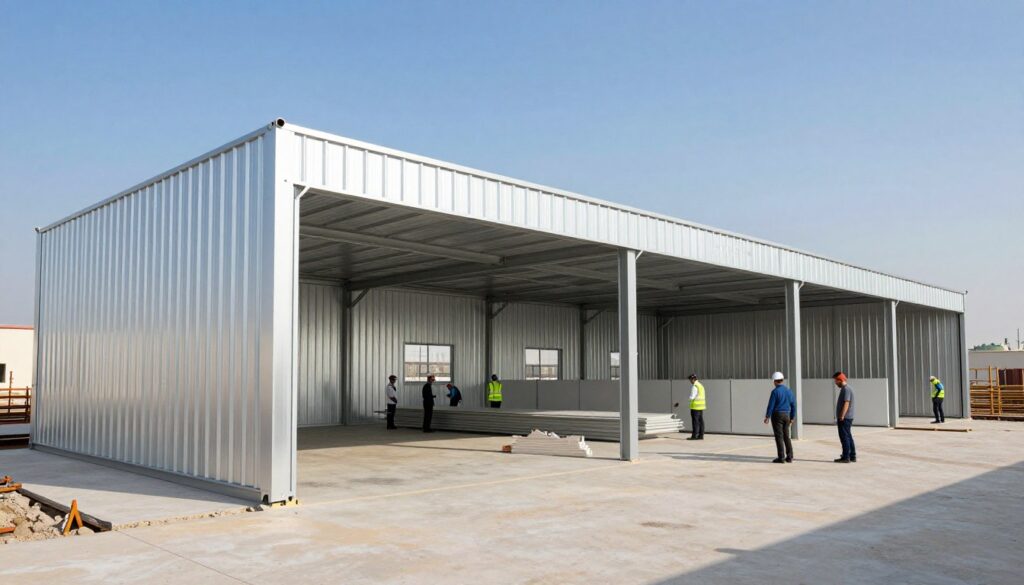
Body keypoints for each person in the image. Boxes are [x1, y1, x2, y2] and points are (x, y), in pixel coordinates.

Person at [763, 371, 796, 463]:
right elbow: (793, 404)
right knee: (786, 436)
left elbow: (771, 405)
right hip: (787, 415)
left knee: (779, 437)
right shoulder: (789, 391)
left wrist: (767, 416)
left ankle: (781, 457)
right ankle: (790, 457)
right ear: (782, 380)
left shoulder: (775, 392)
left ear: (774, 381)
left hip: (777, 415)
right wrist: (792, 417)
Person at [673, 374, 706, 441]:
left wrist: (680, 403)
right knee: (700, 421)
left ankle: (694, 436)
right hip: (701, 406)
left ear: (693, 379)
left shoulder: (695, 386)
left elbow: (691, 397)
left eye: (690, 380)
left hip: (695, 407)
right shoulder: (700, 385)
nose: (690, 381)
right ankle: (701, 435)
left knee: (695, 422)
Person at [833, 371, 856, 463]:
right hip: (847, 417)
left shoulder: (846, 389)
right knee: (848, 436)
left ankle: (846, 457)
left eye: (836, 381)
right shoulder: (846, 389)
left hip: (845, 418)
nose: (835, 383)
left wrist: (842, 415)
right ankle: (852, 455)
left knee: (844, 437)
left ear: (840, 380)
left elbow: (846, 403)